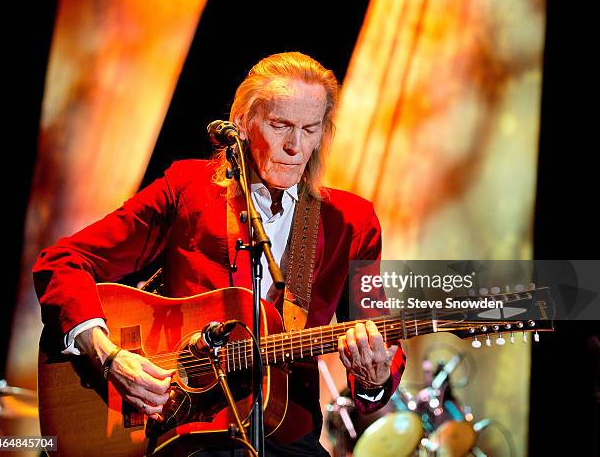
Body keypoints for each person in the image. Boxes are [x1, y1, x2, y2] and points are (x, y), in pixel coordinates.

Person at [33, 52, 406, 456]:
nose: (295, 146)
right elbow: (63, 262)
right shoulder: (185, 189)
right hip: (180, 431)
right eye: (280, 125)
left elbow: (375, 336)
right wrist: (108, 357)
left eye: (310, 128)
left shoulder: (352, 222)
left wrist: (375, 375)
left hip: (285, 437)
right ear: (243, 123)